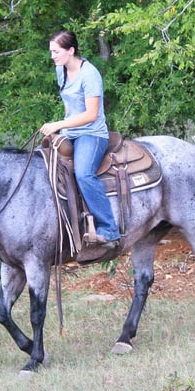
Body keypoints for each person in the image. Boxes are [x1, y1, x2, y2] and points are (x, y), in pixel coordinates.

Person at [39, 30, 121, 257]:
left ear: (71, 50)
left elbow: (91, 114)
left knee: (84, 173)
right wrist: (61, 130)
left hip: (91, 134)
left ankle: (109, 229)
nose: (53, 56)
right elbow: (69, 105)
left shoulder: (90, 74)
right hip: (70, 132)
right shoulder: (61, 71)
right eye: (51, 52)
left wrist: (57, 124)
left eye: (56, 52)